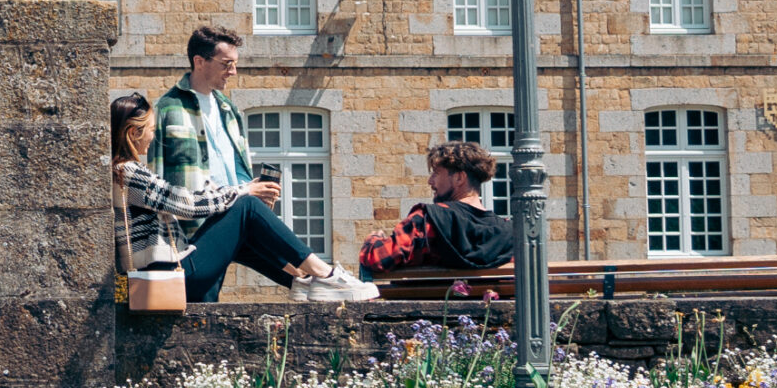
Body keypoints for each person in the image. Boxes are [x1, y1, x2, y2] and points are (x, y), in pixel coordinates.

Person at [133, 26, 376, 303]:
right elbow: (161, 185)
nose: (233, 72)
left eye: (235, 64)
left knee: (252, 220)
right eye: (227, 64)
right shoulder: (168, 108)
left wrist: (256, 189)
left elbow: (237, 170)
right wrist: (245, 196)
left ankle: (310, 282)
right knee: (244, 213)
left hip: (229, 217)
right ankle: (325, 276)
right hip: (193, 232)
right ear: (199, 62)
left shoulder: (229, 109)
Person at [357, 139, 516, 278]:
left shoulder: (427, 220)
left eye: (436, 173)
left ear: (459, 178)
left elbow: (376, 259)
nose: (430, 181)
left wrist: (373, 239)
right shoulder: (508, 233)